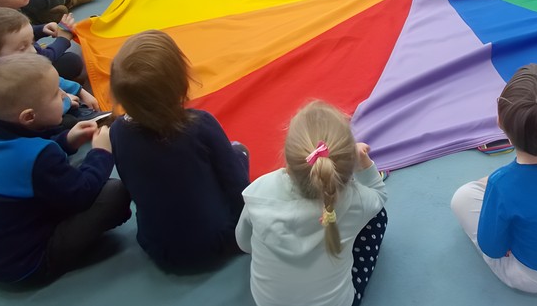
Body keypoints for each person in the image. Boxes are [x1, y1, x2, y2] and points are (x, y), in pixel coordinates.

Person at [0, 53, 130, 284]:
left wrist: (68, 140)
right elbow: (81, 195)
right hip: (28, 264)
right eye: (55, 95)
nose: (64, 96)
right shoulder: (39, 157)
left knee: (76, 171)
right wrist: (101, 152)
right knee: (114, 192)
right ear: (29, 116)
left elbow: (33, 165)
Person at [109, 30, 250, 274]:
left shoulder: (118, 131)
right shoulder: (200, 125)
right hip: (216, 243)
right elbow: (237, 185)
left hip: (157, 246)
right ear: (180, 83)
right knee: (239, 151)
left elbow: (134, 186)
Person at [450, 64, 537, 293]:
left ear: (500, 122)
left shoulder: (502, 185)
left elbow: (493, 249)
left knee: (462, 197)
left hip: (533, 278)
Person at [236, 101, 387, 306]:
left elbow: (244, 244)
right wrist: (365, 164)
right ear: (347, 164)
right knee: (378, 217)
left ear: (288, 160)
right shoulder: (357, 200)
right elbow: (379, 196)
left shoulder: (259, 191)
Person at [0, 7, 102, 166]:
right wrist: (65, 101)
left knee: (60, 104)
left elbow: (41, 75)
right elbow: (27, 117)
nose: (33, 52)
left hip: (15, 133)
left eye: (32, 43)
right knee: (63, 123)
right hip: (3, 164)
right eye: (22, 48)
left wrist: (78, 90)